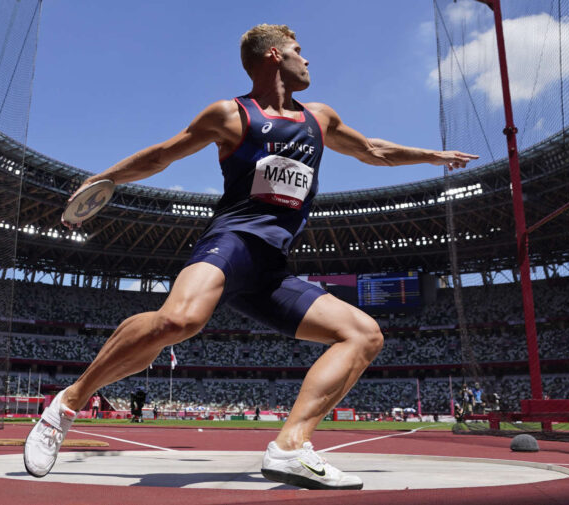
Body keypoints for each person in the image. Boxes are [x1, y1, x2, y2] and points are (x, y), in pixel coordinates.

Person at [23, 23, 477, 489]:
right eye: (301, 52)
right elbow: (163, 155)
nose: (309, 60)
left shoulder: (320, 118)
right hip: (231, 243)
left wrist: (432, 155)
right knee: (178, 322)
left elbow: (375, 150)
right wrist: (106, 179)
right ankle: (67, 404)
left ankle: (289, 448)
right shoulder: (230, 114)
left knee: (364, 335)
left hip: (271, 270)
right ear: (274, 56)